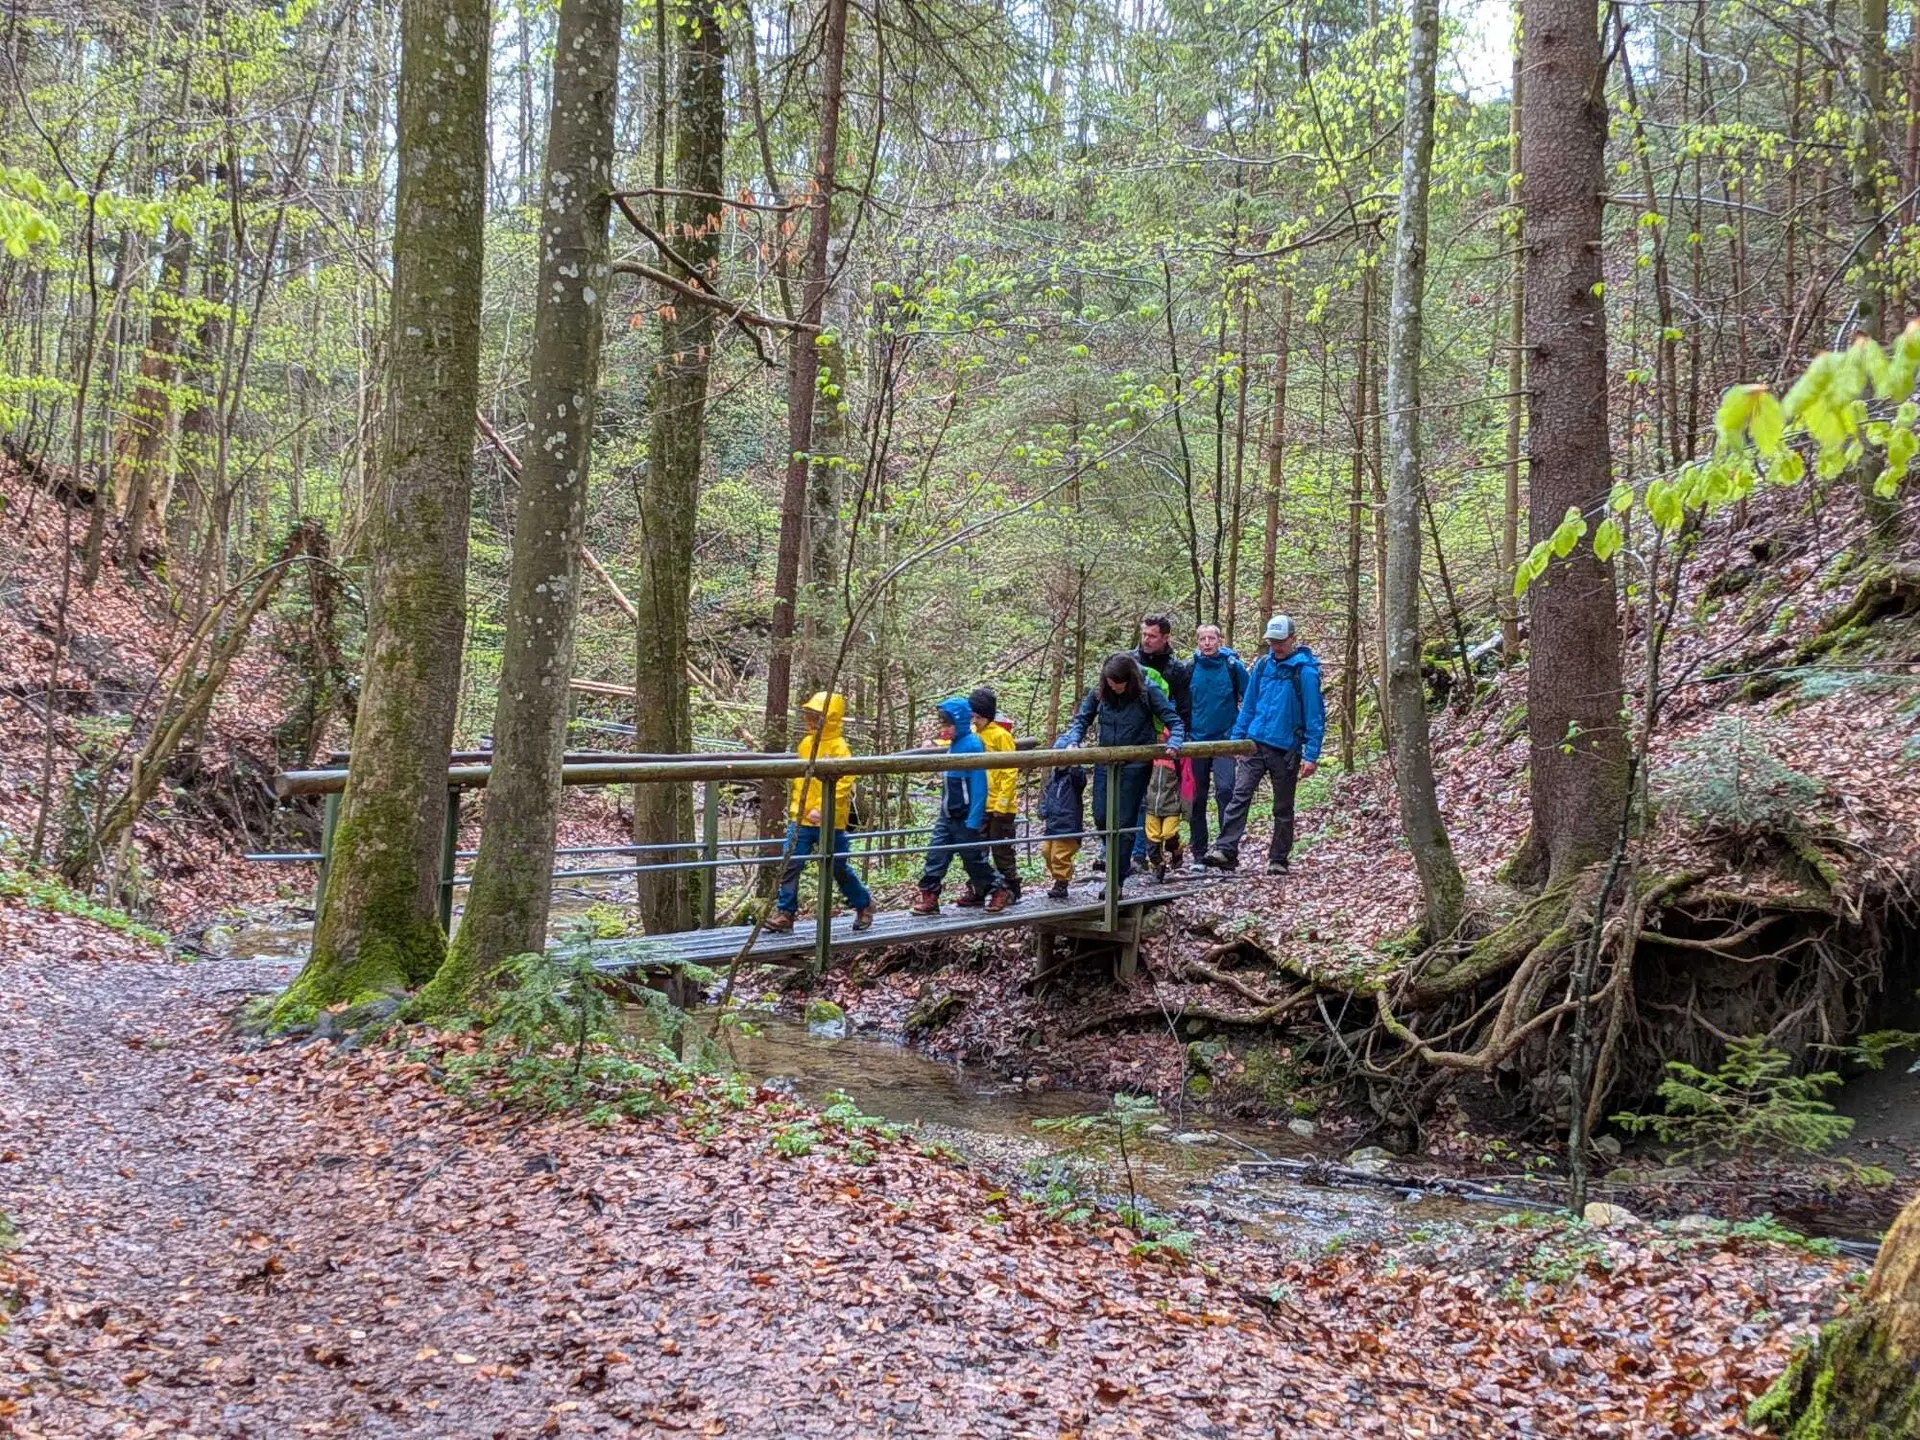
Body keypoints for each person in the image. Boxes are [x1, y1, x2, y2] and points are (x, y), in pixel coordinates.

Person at [1204, 614, 1326, 876]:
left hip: (1286, 748)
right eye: (1272, 641)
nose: (1276, 646)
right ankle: (1226, 850)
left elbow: (1315, 715)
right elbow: (1248, 705)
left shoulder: (1305, 672)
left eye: (1280, 641)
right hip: (1255, 743)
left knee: (1282, 807)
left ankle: (1278, 859)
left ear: (1292, 639)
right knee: (1240, 795)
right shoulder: (1262, 666)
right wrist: (1237, 741)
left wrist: (1312, 754)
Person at [1058, 652, 1185, 889]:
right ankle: (1117, 862)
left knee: (1124, 822)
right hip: (1105, 762)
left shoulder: (1148, 692)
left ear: (1130, 680)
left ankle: (1115, 880)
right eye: (1109, 682)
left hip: (1135, 764)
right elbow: (1082, 719)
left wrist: (1174, 742)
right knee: (1100, 815)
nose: (1113, 686)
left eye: (1117, 683)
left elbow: (1174, 721)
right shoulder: (1100, 692)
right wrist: (1073, 740)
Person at [767, 692, 874, 932]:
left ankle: (863, 904)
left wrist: (823, 809)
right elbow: (799, 781)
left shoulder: (840, 748)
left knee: (837, 866)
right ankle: (785, 913)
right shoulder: (806, 744)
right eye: (811, 715)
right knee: (790, 863)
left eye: (818, 716)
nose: (812, 720)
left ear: (831, 718)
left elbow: (845, 783)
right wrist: (803, 809)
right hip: (802, 818)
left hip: (831, 821)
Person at [913, 696, 1010, 915]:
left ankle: (999, 890)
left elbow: (979, 785)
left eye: (948, 724)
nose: (944, 729)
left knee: (973, 859)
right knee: (935, 855)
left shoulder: (973, 744)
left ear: (960, 722)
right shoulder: (954, 744)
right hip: (947, 814)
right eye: (943, 724)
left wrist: (974, 818)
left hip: (965, 815)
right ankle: (930, 897)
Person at [1112, 612, 1192, 870]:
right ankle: (1135, 856)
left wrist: (1176, 736)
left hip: (1164, 740)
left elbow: (1182, 707)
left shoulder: (1176, 669)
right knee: (1133, 798)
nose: (1146, 640)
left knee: (1159, 799)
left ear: (1165, 638)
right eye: (1143, 634)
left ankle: (1163, 849)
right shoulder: (1128, 662)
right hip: (1133, 738)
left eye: (1152, 636)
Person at [1185, 622, 1248, 867]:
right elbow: (1181, 702)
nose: (1207, 643)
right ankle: (1199, 852)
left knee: (1226, 790)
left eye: (1212, 638)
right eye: (1203, 639)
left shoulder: (1233, 667)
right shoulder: (1189, 669)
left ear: (1220, 640)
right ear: (1197, 642)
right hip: (1196, 741)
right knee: (1197, 797)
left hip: (1225, 740)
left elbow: (1250, 697)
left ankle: (1226, 850)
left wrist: (1240, 732)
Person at [969, 687, 1022, 902]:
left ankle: (1011, 888)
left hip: (1002, 807)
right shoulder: (974, 735)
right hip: (980, 804)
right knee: (977, 850)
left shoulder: (1002, 736)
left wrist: (1002, 803)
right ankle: (979, 888)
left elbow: (1009, 772)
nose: (974, 720)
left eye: (976, 716)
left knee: (1002, 850)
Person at [1037, 747, 1088, 901]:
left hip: (1068, 825)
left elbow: (1080, 780)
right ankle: (1059, 878)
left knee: (1059, 855)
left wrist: (1074, 762)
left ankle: (1061, 882)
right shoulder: (1054, 778)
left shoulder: (1073, 777)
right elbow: (1048, 796)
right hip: (1053, 824)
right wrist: (1043, 810)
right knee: (1046, 851)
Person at [1143, 750, 1186, 881]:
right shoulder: (1148, 757)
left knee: (1170, 834)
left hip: (1172, 805)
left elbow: (1186, 781)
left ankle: (1176, 852)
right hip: (1151, 805)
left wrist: (1184, 805)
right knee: (1152, 837)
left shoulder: (1177, 758)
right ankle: (1158, 865)